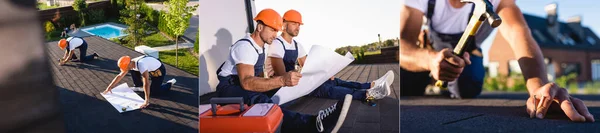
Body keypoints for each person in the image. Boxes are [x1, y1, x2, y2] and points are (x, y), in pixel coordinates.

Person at [400, 0, 594, 122]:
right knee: (406, 83)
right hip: (428, 51)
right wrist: (431, 60)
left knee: (468, 86)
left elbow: (520, 34)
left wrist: (539, 89)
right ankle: (431, 78)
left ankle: (467, 62)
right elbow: (404, 46)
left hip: (466, 53)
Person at [215, 9, 351, 132]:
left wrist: (276, 85)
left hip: (241, 84)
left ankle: (278, 119)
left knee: (279, 93)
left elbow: (259, 77)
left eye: (277, 31)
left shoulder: (261, 46)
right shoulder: (245, 47)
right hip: (228, 88)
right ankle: (313, 124)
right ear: (260, 27)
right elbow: (247, 83)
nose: (275, 35)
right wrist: (281, 80)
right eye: (273, 30)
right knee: (260, 100)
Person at [267, 9, 395, 102]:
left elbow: (308, 66)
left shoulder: (297, 45)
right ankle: (369, 94)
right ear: (284, 25)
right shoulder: (277, 45)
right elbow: (282, 75)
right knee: (326, 89)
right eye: (294, 23)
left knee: (333, 80)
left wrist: (325, 73)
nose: (298, 27)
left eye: (299, 24)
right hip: (284, 89)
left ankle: (371, 84)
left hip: (296, 82)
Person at [103, 55, 177, 108]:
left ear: (129, 64)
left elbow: (146, 83)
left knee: (155, 92)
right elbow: (120, 76)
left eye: (126, 68)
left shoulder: (141, 65)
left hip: (158, 71)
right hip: (149, 68)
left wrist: (146, 100)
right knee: (133, 71)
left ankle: (169, 83)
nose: (125, 70)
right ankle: (138, 86)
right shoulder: (130, 63)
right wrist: (109, 87)